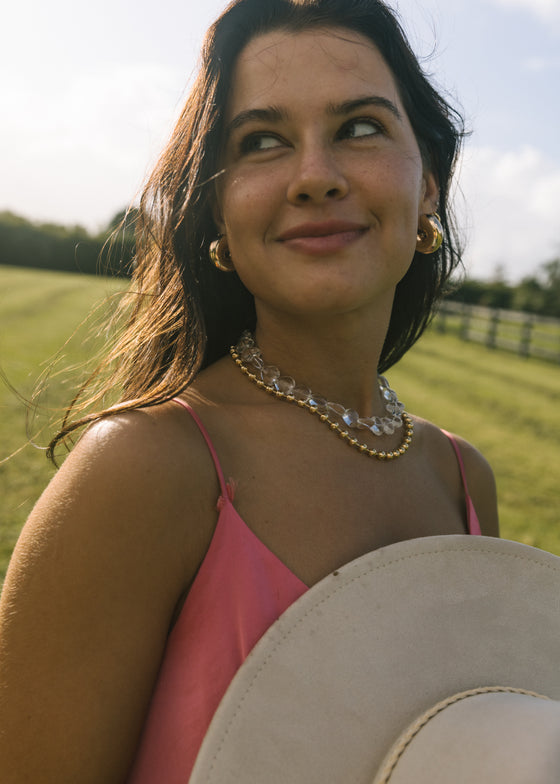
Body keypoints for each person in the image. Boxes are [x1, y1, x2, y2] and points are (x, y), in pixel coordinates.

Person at [0, 1, 499, 782]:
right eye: (260, 142)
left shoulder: (464, 481)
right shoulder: (146, 470)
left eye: (360, 127)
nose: (315, 176)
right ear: (218, 213)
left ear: (429, 184)